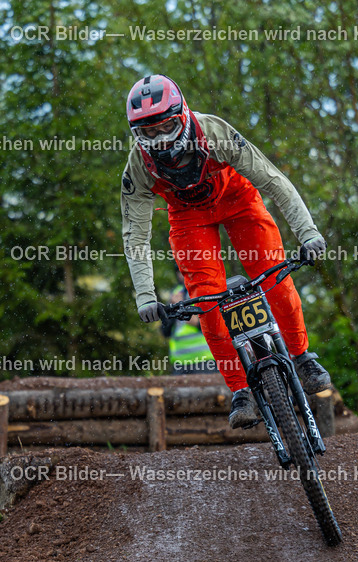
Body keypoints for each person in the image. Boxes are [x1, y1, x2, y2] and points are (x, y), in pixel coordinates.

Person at [120, 74, 332, 429]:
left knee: (275, 278)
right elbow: (135, 236)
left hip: (238, 200)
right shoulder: (138, 169)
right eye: (148, 132)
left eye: (167, 127)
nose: (159, 139)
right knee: (207, 303)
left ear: (183, 114)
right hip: (189, 219)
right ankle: (241, 391)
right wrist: (145, 296)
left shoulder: (213, 133)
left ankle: (301, 356)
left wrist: (308, 233)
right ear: (136, 133)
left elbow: (273, 180)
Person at [160, 271, 219, 375]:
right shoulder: (175, 293)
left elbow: (218, 326)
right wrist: (173, 309)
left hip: (205, 360)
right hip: (180, 363)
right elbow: (165, 331)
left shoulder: (203, 291)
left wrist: (197, 324)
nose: (181, 274)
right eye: (178, 271)